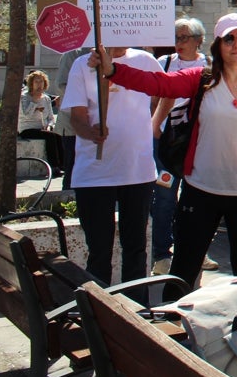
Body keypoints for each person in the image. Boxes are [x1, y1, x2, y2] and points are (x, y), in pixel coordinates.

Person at [94, 13, 237, 299]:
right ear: (218, 45)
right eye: (229, 38)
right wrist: (113, 71)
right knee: (184, 268)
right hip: (201, 190)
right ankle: (172, 330)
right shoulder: (203, 79)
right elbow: (158, 84)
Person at [61, 44, 162, 290]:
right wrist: (90, 132)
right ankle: (99, 315)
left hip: (137, 171)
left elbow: (162, 92)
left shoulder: (146, 61)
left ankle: (135, 312)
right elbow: (76, 117)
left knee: (136, 249)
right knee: (99, 250)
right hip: (95, 174)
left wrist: (152, 122)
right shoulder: (82, 64)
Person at [150, 17, 211, 276]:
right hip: (167, 143)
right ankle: (162, 254)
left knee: (194, 200)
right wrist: (155, 127)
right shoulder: (164, 63)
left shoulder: (210, 66)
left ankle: (195, 250)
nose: (178, 43)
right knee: (164, 197)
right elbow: (155, 98)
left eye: (184, 37)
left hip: (198, 143)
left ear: (199, 40)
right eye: (175, 38)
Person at [54, 46, 91, 189]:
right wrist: (87, 99)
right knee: (73, 165)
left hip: (96, 123)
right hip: (72, 125)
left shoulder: (107, 52)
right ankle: (68, 204)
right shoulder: (72, 54)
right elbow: (61, 85)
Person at [18, 69, 64, 174]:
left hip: (42, 128)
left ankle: (63, 164)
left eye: (41, 82)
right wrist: (34, 101)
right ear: (31, 83)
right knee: (50, 137)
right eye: (36, 82)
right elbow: (26, 115)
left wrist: (49, 125)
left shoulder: (46, 98)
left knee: (58, 134)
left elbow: (51, 117)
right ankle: (54, 166)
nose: (39, 85)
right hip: (27, 128)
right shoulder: (24, 97)